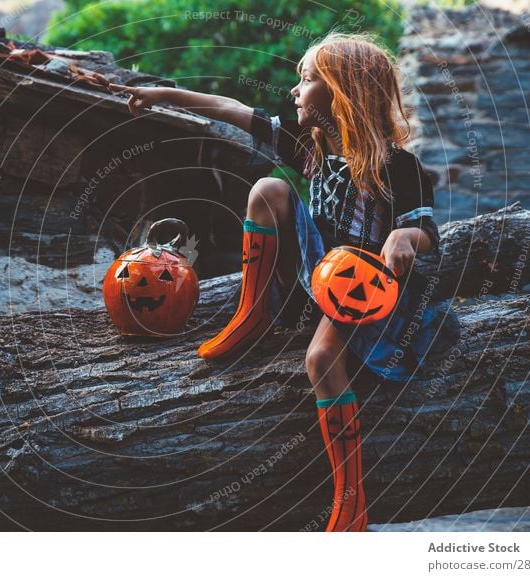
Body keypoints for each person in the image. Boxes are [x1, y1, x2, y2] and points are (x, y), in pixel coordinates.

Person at [109, 31, 460, 532]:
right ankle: (253, 315)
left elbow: (424, 231)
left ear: (341, 92)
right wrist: (163, 95)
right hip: (315, 274)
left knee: (320, 359)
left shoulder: (398, 167)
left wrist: (406, 235)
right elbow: (228, 107)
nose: (296, 90)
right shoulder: (311, 150)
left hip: (364, 288)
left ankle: (351, 500)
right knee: (268, 189)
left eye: (308, 78)